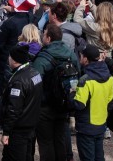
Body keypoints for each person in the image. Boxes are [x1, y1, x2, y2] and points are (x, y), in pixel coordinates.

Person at [31, 24, 80, 161]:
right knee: (60, 139)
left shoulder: (42, 58)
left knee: (46, 142)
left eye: (44, 33)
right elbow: (78, 74)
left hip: (45, 106)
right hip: (65, 104)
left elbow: (35, 83)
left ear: (49, 38)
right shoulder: (71, 54)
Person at [0, 44, 43, 161]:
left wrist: (6, 132)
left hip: (18, 130)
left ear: (14, 60)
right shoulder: (35, 73)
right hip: (31, 126)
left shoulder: (18, 81)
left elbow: (13, 109)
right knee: (28, 156)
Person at [73, 44, 113, 161]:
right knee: (99, 156)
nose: (80, 58)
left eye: (81, 56)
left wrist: (71, 94)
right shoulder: (109, 77)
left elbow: (79, 104)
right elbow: (110, 102)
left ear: (86, 59)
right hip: (101, 123)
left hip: (86, 126)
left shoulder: (85, 80)